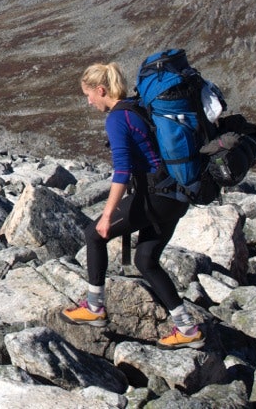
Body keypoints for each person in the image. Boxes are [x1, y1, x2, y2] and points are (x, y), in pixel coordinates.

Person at [62, 61, 205, 349]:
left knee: (94, 234)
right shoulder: (137, 107)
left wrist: (106, 216)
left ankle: (94, 308)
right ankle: (187, 329)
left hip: (156, 197)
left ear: (100, 90)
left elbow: (122, 171)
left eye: (88, 94)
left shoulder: (117, 118)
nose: (88, 101)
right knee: (145, 260)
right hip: (177, 196)